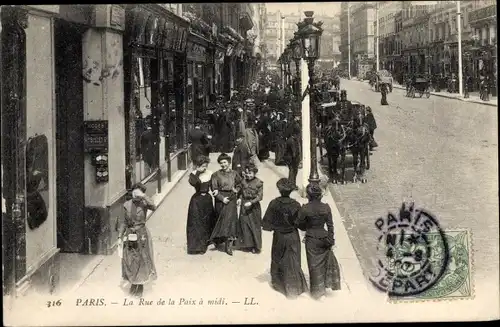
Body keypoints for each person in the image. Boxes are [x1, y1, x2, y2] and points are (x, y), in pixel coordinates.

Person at [262, 178, 308, 298]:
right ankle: (294, 287)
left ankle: (280, 284)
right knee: (293, 260)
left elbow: (266, 224)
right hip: (292, 236)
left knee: (278, 257)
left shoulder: (274, 203)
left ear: (279, 190)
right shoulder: (296, 205)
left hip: (279, 236)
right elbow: (302, 225)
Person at [297, 183, 341, 300]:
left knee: (314, 266)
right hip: (324, 237)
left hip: (311, 239)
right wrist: (331, 240)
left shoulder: (305, 208)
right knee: (323, 264)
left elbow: (299, 224)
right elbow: (330, 226)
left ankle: (317, 293)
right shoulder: (326, 207)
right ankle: (324, 287)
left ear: (309, 195)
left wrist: (307, 227)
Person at [118, 183, 157, 297]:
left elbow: (153, 206)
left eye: (138, 191)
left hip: (141, 234)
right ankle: (133, 283)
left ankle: (140, 285)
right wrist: (120, 236)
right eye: (135, 191)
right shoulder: (127, 204)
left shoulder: (144, 203)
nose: (136, 193)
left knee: (142, 259)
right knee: (130, 259)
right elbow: (124, 222)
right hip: (130, 234)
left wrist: (144, 196)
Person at [210, 153, 242, 256]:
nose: (223, 164)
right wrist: (222, 198)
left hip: (232, 198)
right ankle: (219, 240)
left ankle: (229, 244)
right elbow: (214, 189)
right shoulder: (215, 175)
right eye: (221, 163)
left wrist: (236, 191)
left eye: (225, 162)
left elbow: (240, 184)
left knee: (231, 221)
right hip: (221, 199)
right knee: (221, 219)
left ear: (229, 162)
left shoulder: (235, 173)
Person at [187, 155, 217, 255]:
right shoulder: (193, 174)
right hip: (197, 200)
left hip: (207, 199)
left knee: (207, 221)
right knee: (196, 222)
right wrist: (198, 172)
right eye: (203, 166)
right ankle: (196, 246)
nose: (205, 168)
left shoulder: (210, 173)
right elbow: (194, 183)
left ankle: (206, 242)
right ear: (198, 165)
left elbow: (214, 185)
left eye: (206, 166)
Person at [237, 164, 263, 253]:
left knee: (254, 226)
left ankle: (256, 246)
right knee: (244, 225)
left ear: (255, 173)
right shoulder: (243, 181)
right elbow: (241, 192)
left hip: (254, 207)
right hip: (244, 205)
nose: (248, 175)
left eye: (250, 173)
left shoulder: (259, 182)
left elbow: (260, 197)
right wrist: (240, 199)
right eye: (247, 173)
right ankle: (247, 245)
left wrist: (251, 202)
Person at [284, 122, 301, 190]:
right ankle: (291, 185)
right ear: (296, 134)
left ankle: (292, 184)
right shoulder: (292, 141)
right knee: (292, 172)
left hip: (291, 159)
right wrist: (298, 160)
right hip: (292, 160)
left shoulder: (292, 139)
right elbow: (294, 152)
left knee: (293, 172)